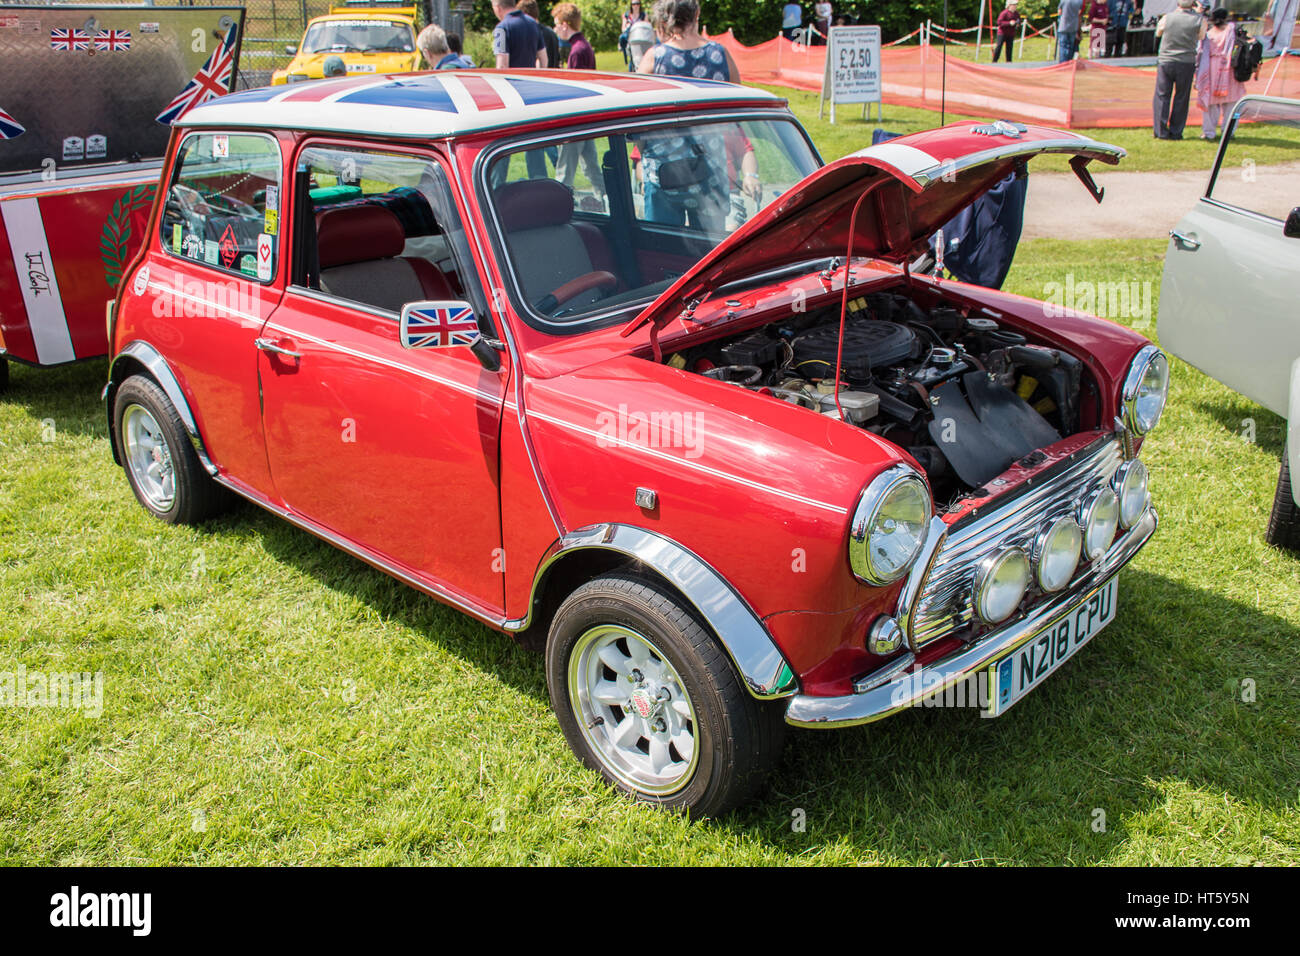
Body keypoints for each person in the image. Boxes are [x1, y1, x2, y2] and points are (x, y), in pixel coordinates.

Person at [636, 0, 741, 232]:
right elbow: (736, 110)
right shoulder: (720, 55)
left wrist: (642, 156)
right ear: (697, 13)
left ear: (664, 18)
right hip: (710, 169)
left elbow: (637, 120)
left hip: (664, 172)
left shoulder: (654, 59)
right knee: (709, 251)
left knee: (662, 249)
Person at [552, 2, 605, 201]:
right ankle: (605, 199)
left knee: (565, 169)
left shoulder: (576, 50)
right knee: (591, 165)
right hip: (587, 115)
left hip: (575, 118)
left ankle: (558, 205)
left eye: (557, 25)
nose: (556, 29)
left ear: (565, 25)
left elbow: (572, 89)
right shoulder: (584, 46)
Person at [636, 0, 740, 80]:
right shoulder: (721, 54)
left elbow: (638, 99)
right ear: (697, 13)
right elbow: (739, 99)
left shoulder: (655, 57)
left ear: (665, 20)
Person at [1153, 0, 1204, 139]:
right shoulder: (1198, 20)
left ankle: (1160, 131)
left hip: (1166, 60)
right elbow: (1201, 36)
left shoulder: (1167, 17)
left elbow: (1158, 33)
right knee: (1182, 97)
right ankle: (1176, 132)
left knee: (1162, 96)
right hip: (1186, 62)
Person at [1195, 8, 1247, 139]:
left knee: (1210, 104)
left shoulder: (1208, 34)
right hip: (1229, 68)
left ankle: (1209, 132)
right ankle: (1228, 132)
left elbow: (1199, 52)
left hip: (1211, 68)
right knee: (1231, 104)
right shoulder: (1232, 31)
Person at [492, 0, 546, 69]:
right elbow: (544, 59)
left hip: (511, 79)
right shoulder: (533, 23)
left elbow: (502, 65)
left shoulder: (501, 29)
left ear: (497, 8)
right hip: (531, 78)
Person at [520, 0, 560, 73]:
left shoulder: (535, 33)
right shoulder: (551, 32)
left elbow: (540, 61)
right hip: (554, 77)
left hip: (542, 77)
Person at [620, 1, 646, 67]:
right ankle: (624, 54)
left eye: (637, 4)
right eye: (634, 4)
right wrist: (627, 27)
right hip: (630, 36)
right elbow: (623, 27)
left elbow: (647, 25)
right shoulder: (626, 15)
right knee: (622, 38)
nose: (636, 6)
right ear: (631, 5)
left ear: (640, 5)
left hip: (640, 36)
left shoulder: (643, 15)